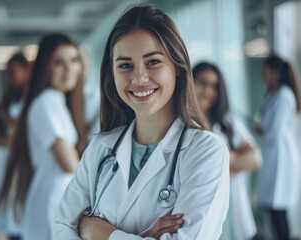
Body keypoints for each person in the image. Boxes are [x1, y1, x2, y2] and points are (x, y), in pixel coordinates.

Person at [53, 5, 230, 240]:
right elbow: (61, 228)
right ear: (112, 74)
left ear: (177, 67)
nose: (139, 78)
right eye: (125, 65)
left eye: (153, 62)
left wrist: (103, 234)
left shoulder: (206, 150)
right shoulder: (100, 149)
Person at [0, 33, 86, 240]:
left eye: (74, 60)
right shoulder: (45, 103)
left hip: (59, 199)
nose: (69, 68)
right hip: (51, 201)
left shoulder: (57, 101)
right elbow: (69, 164)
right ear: (46, 66)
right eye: (59, 62)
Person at [193, 62, 262, 240]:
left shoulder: (228, 121)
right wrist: (234, 157)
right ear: (190, 82)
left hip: (234, 207)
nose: (208, 91)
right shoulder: (181, 123)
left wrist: (219, 163)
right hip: (199, 211)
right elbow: (194, 174)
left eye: (214, 86)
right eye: (203, 83)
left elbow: (255, 160)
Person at [0, 52, 30, 240]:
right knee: (12, 215)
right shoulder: (9, 100)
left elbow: (26, 133)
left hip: (26, 163)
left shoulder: (34, 100)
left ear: (26, 71)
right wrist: (15, 140)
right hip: (10, 162)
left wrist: (5, 118)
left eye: (13, 71)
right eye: (7, 72)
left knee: (24, 212)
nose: (9, 76)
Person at [257, 54, 300, 240]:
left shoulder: (284, 95)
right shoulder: (272, 93)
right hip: (273, 156)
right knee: (272, 209)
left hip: (282, 158)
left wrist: (260, 129)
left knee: (278, 211)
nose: (262, 75)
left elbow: (273, 131)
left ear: (275, 72)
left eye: (264, 71)